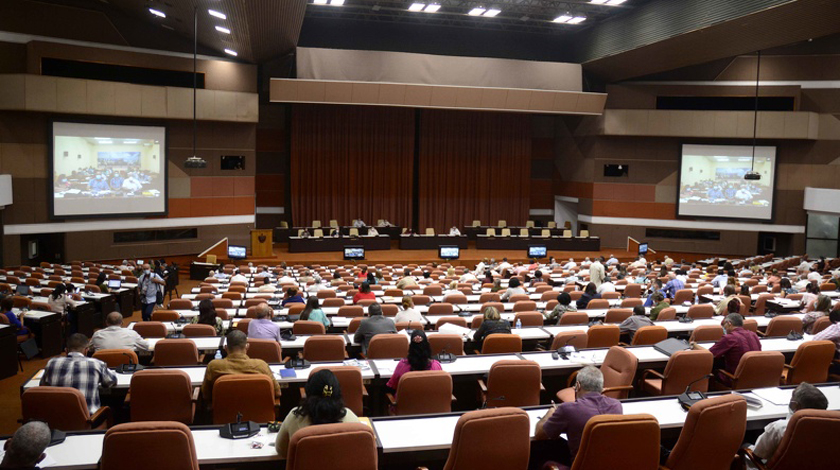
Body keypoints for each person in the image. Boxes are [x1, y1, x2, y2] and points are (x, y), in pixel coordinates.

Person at [535, 366, 623, 467]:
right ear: (601, 387)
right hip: (608, 467)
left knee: (543, 462)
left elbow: (539, 434)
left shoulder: (567, 409)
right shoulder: (616, 406)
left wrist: (551, 412)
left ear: (577, 386)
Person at [275, 369, 360, 458]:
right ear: (338, 393)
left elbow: (281, 450)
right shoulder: (352, 419)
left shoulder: (295, 417)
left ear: (308, 391)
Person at [748, 383, 828, 468]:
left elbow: (757, 455)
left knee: (744, 445)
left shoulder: (780, 427)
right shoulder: (830, 429)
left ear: (795, 405)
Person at [40, 333, 117, 414]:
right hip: (87, 420)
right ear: (86, 351)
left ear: (66, 350)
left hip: (57, 418)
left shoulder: (51, 363)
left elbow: (42, 386)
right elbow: (111, 381)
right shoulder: (97, 364)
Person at [201, 330, 280, 401]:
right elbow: (277, 392)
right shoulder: (261, 365)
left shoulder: (213, 366)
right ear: (247, 346)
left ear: (225, 348)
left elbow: (206, 395)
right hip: (257, 414)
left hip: (224, 414)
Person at [704, 313, 761, 387]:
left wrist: (694, 346)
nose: (724, 328)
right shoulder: (753, 334)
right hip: (755, 378)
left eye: (724, 325)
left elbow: (709, 355)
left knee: (710, 367)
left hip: (734, 380)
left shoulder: (729, 338)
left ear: (729, 323)